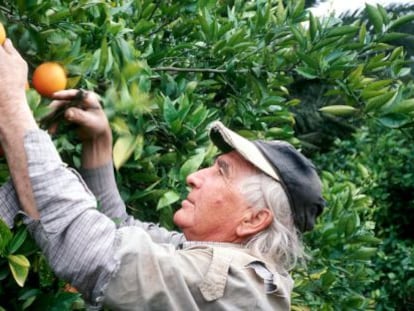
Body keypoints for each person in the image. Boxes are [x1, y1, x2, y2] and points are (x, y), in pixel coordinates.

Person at [0, 39, 325, 310]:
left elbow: (95, 253)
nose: (195, 176)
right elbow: (119, 230)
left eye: (221, 173)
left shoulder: (233, 285)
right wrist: (98, 142)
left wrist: (11, 103)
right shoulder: (205, 256)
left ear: (253, 220)